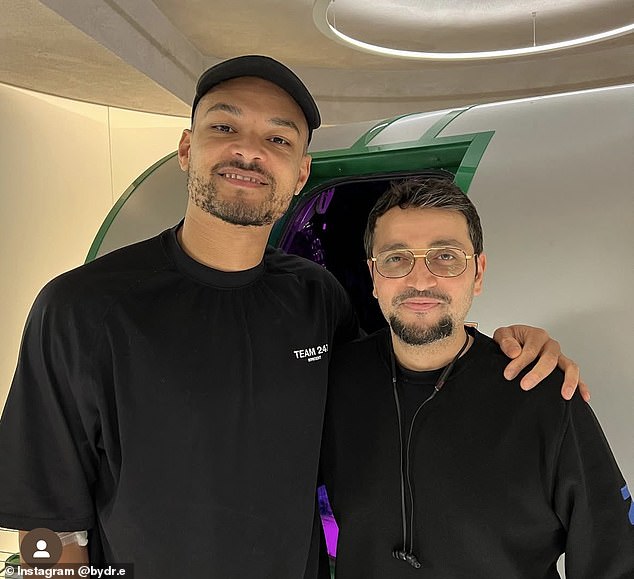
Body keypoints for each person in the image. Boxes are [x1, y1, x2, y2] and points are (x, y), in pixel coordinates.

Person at [0, 56, 582, 578]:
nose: (249, 151)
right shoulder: (80, 308)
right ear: (186, 149)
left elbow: (394, 385)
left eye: (277, 138)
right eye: (224, 127)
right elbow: (46, 526)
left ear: (300, 174)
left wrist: (504, 347)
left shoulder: (315, 296)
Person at [320, 177, 634, 578]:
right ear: (374, 277)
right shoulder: (334, 383)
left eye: (445, 256)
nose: (420, 280)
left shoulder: (542, 395)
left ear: (478, 272)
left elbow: (614, 560)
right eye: (396, 258)